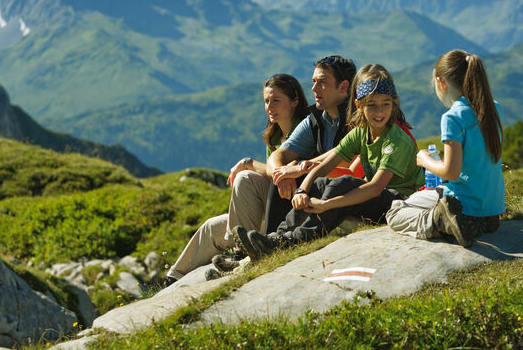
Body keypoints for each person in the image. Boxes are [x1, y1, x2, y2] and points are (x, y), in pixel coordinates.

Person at [236, 64, 423, 256]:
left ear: (395, 104)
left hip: (401, 202)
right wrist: (302, 190)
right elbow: (324, 166)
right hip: (379, 197)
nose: (379, 112)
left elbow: (375, 187)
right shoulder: (360, 132)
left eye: (386, 104)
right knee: (320, 183)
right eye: (372, 105)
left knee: (343, 183)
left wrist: (326, 205)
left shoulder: (396, 140)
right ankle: (277, 236)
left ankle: (295, 239)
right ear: (359, 106)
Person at [163, 74, 309, 285]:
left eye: (276, 100)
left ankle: (240, 252)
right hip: (267, 207)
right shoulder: (275, 137)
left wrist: (248, 163)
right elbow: (276, 172)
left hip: (285, 213)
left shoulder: (304, 132)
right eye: (266, 101)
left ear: (295, 102)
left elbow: (291, 170)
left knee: (244, 178)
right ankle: (172, 279)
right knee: (211, 227)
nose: (269, 107)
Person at [386, 50, 505, 247]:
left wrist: (425, 160)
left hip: (464, 207)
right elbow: (471, 164)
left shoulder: (452, 117)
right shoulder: (494, 108)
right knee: (426, 196)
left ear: (442, 83)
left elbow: (451, 171)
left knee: (395, 211)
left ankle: (439, 221)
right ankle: (463, 221)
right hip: (492, 210)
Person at [261, 56, 357, 237]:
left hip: (346, 193)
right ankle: (269, 240)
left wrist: (298, 169)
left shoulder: (358, 118)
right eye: (313, 82)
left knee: (289, 178)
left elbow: (346, 159)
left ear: (343, 87)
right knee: (280, 179)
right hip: (321, 186)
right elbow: (277, 156)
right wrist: (283, 173)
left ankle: (271, 241)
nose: (313, 89)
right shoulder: (316, 119)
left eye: (322, 83)